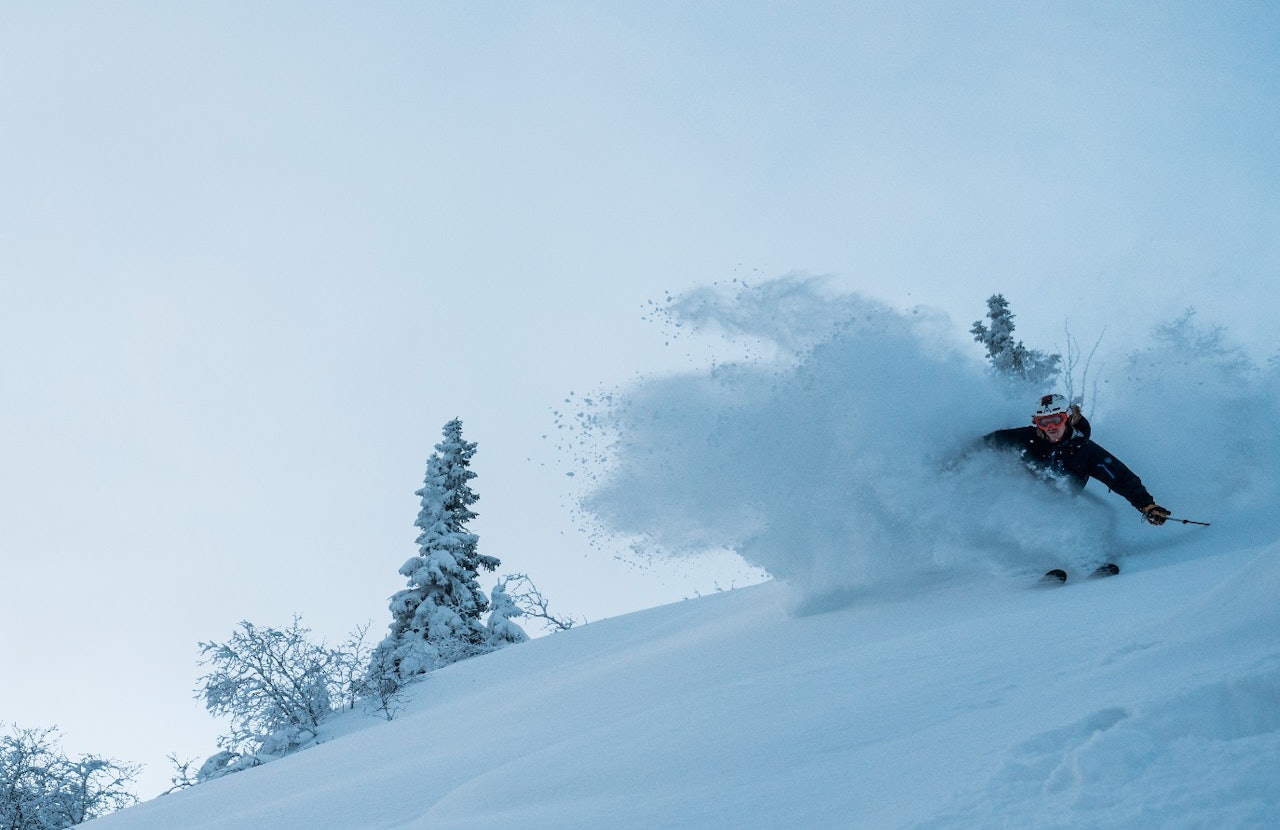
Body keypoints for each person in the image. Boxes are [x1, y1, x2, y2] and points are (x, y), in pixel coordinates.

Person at [983, 394, 1171, 526]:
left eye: (1056, 420)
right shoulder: (1025, 438)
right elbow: (984, 444)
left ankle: (1084, 560)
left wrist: (1146, 505)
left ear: (1069, 418)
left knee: (1092, 515)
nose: (1050, 427)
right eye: (1044, 422)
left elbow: (1120, 477)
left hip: (1060, 506)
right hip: (1021, 498)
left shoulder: (1085, 450)